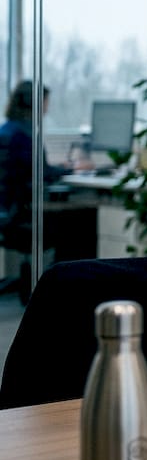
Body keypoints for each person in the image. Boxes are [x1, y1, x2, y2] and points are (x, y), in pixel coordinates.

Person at [0, 82, 91, 303]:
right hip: (19, 217)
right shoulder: (26, 134)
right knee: (82, 220)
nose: (47, 108)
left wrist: (56, 168)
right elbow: (42, 173)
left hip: (7, 214)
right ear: (35, 103)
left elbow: (31, 170)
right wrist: (71, 168)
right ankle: (64, 292)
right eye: (45, 102)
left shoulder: (7, 130)